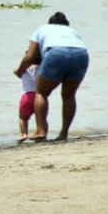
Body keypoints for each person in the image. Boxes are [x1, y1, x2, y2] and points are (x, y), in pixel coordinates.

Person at [14, 11, 90, 141]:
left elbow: (30, 56)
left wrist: (20, 70)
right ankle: (63, 133)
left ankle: (41, 131)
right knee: (69, 96)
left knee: (41, 93)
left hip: (56, 53)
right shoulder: (72, 31)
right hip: (81, 54)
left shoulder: (42, 29)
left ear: (50, 22)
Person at [15, 50, 39, 142]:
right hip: (39, 96)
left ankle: (24, 134)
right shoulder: (41, 68)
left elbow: (16, 72)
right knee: (40, 117)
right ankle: (39, 132)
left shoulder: (24, 69)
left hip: (27, 95)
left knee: (23, 118)